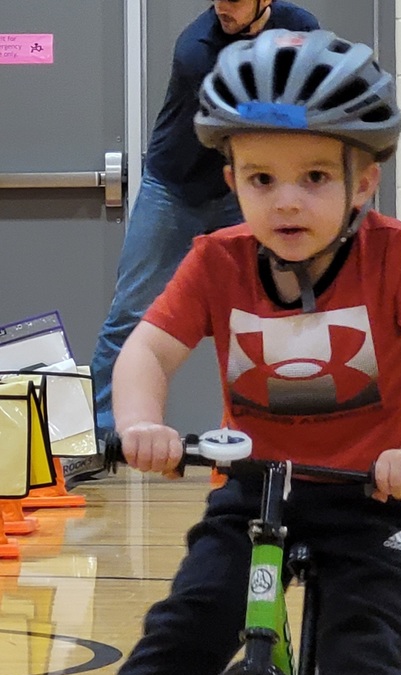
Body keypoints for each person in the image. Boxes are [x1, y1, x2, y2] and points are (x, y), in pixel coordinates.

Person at [0, 30, 401, 675]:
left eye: (315, 178)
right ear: (230, 182)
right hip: (257, 492)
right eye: (261, 180)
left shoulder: (396, 256)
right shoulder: (216, 261)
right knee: (188, 626)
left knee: (364, 643)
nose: (286, 201)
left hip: (373, 497)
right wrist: (141, 423)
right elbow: (147, 351)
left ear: (364, 181)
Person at [90, 0, 319, 442]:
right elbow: (255, 122)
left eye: (233, 0)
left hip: (241, 190)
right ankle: (105, 439)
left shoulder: (300, 26)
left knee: (273, 313)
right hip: (175, 189)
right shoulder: (197, 47)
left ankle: (269, 434)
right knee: (130, 314)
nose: (222, 8)